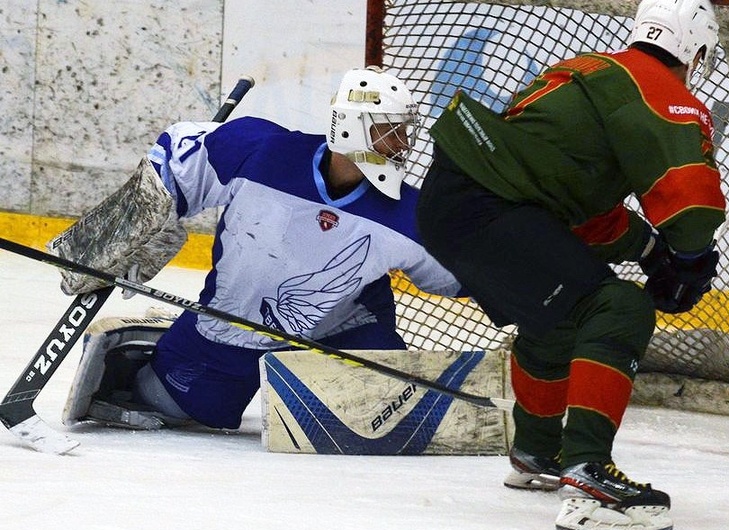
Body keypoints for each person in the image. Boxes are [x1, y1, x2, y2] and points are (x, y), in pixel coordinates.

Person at [414, 0, 724, 530]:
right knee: (618, 307)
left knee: (560, 314)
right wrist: (691, 259)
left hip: (451, 202)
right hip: (493, 210)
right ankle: (588, 477)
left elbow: (575, 210)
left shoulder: (592, 72)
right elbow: (691, 201)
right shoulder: (662, 91)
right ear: (695, 49)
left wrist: (652, 252)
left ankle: (536, 451)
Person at [61, 67, 463, 432]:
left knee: (380, 410)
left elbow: (460, 276)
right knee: (171, 405)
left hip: (343, 330)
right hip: (232, 324)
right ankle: (153, 352)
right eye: (392, 130)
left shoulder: (409, 212)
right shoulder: (261, 153)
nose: (404, 142)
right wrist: (134, 230)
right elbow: (176, 155)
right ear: (355, 130)